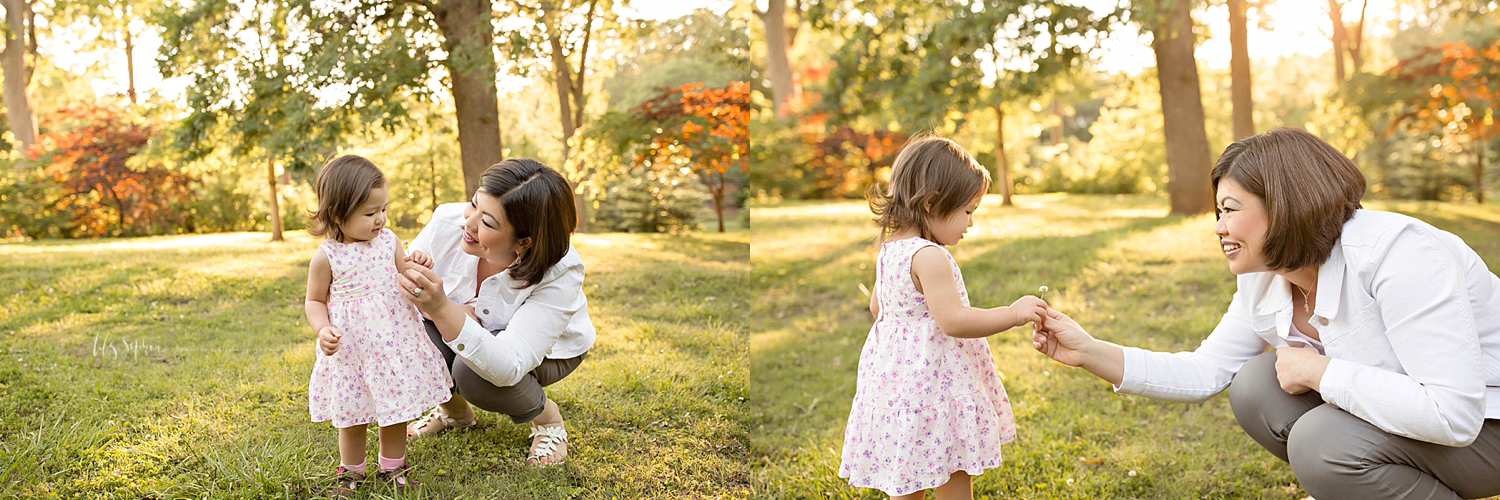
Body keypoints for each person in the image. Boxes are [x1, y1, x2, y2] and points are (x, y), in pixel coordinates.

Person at [1031, 128, 1500, 500]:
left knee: (1322, 443)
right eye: (1218, 211)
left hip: (1486, 427)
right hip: (1426, 425)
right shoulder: (1265, 274)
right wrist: (1089, 351)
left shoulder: (1398, 255)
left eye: (1230, 209)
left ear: (1286, 205)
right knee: (1258, 383)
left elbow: (1453, 414)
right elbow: (1206, 370)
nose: (1219, 227)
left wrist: (1322, 372)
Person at [839, 136, 1049, 500]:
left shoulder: (890, 251)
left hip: (899, 385)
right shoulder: (929, 256)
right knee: (952, 463)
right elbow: (954, 321)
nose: (971, 223)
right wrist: (1014, 314)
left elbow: (879, 309)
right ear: (933, 203)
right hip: (936, 386)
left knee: (908, 472)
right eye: (967, 211)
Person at [397, 158, 593, 467]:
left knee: (470, 372)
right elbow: (396, 297)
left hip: (551, 354)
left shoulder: (561, 270)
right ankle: (455, 412)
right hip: (465, 329)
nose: (469, 223)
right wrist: (442, 310)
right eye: (473, 204)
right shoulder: (447, 222)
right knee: (408, 336)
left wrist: (442, 308)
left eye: (487, 222)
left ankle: (548, 421)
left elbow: (509, 365)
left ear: (524, 242)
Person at [304, 155, 454, 493]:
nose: (380, 219)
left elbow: (407, 276)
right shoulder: (327, 257)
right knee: (353, 415)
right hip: (352, 351)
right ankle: (352, 471)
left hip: (392, 345)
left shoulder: (389, 242)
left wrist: (417, 263)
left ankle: (392, 467)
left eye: (383, 209)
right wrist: (322, 328)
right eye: (370, 213)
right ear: (337, 215)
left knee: (395, 409)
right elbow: (314, 300)